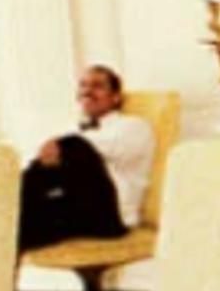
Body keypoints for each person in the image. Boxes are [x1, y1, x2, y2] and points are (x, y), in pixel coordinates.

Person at [17, 65, 155, 247]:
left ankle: (14, 199)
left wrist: (60, 146)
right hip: (74, 207)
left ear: (116, 97)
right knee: (19, 228)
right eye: (83, 86)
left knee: (73, 145)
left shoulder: (134, 126)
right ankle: (8, 204)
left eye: (97, 86)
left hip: (113, 216)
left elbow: (103, 147)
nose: (87, 91)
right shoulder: (71, 128)